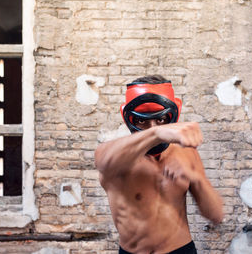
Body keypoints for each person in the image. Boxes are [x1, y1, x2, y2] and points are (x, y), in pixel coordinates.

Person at [95, 75, 224, 254]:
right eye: (142, 121)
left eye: (160, 119)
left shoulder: (185, 152)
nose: (152, 126)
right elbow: (101, 159)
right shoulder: (118, 158)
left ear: (174, 113)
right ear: (128, 117)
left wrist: (195, 179)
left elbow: (216, 215)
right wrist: (158, 132)